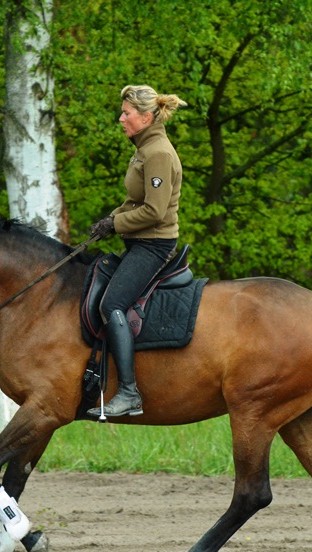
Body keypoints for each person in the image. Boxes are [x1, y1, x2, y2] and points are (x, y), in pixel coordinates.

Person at [87, 84, 188, 418]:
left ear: (145, 117)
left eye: (126, 114)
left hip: (153, 246)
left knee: (111, 303)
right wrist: (110, 219)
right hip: (139, 242)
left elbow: (155, 212)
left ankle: (129, 392)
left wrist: (115, 225)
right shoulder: (144, 148)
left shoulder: (157, 152)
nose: (121, 119)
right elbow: (135, 201)